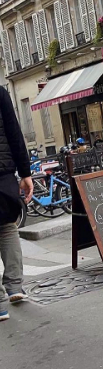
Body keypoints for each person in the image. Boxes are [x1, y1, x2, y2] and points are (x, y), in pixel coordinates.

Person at [0, 86, 33, 321]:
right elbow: (14, 131)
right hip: (2, 176)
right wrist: (25, 172)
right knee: (7, 228)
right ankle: (14, 287)